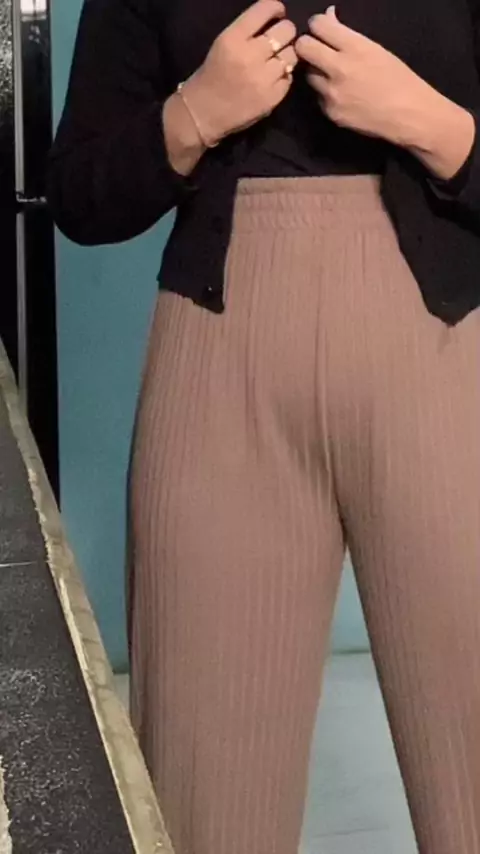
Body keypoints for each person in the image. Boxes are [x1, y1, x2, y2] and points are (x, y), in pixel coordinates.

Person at [47, 1, 480, 852]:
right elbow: (80, 196)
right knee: (204, 796)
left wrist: (433, 126)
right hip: (218, 359)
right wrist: (194, 114)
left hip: (446, 347)